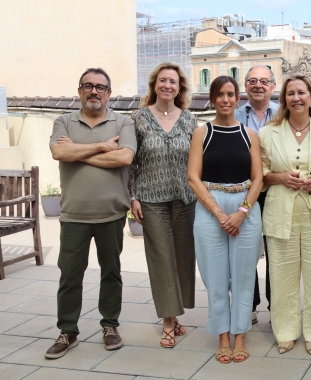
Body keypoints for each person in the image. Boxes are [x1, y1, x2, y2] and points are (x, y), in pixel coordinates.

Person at [46, 68, 136, 359]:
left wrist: (78, 150)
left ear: (109, 93)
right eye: (88, 86)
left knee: (111, 273)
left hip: (111, 213)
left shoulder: (123, 121)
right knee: (69, 276)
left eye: (100, 87)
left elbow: (124, 157)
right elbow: (59, 154)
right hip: (74, 214)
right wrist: (100, 146)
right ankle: (67, 331)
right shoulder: (63, 120)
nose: (94, 91)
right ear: (80, 91)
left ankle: (110, 326)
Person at [259, 74, 311, 356]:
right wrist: (279, 177)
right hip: (280, 215)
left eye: (301, 92)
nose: (296, 98)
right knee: (282, 277)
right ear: (284, 100)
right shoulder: (268, 133)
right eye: (290, 93)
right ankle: (285, 332)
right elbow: (259, 174)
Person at [188, 76, 264, 364]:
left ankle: (240, 334)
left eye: (231, 94)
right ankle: (222, 335)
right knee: (215, 277)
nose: (225, 100)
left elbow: (257, 178)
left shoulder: (249, 135)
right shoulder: (201, 133)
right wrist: (220, 213)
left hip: (245, 207)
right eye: (220, 94)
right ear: (212, 98)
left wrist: (242, 211)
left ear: (238, 98)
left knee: (244, 277)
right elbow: (193, 178)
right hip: (211, 207)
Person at [129, 62, 198, 348]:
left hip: (185, 200)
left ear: (179, 87)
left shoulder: (191, 120)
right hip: (151, 199)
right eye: (162, 80)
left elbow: (198, 162)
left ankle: (176, 312)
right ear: (154, 85)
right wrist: (132, 196)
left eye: (173, 81)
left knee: (183, 260)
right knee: (161, 261)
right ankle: (168, 322)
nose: (167, 85)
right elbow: (130, 162)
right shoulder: (138, 118)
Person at [235, 65, 279, 324]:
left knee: (277, 251)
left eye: (264, 81)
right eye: (253, 81)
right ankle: (248, 306)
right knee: (246, 251)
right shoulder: (235, 115)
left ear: (273, 86)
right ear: (246, 85)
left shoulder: (284, 114)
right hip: (244, 191)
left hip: (276, 189)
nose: (258, 85)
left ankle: (278, 306)